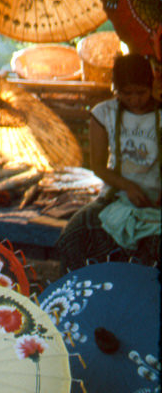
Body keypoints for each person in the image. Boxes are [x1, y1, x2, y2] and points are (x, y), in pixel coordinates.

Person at [56, 52, 161, 271]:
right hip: (115, 198)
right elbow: (98, 166)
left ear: (151, 85)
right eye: (126, 93)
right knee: (73, 236)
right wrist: (128, 187)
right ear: (116, 89)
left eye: (141, 92)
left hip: (155, 202)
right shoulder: (104, 114)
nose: (134, 99)